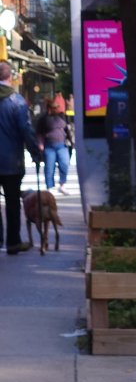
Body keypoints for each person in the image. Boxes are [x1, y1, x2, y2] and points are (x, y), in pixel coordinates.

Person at [0, 61, 42, 254]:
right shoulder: (17, 102)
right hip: (11, 161)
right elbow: (26, 129)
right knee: (12, 202)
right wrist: (36, 153)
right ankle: (13, 242)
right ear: (11, 77)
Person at [36, 93, 71, 194]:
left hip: (62, 145)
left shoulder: (62, 116)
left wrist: (71, 140)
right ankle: (50, 186)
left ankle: (62, 184)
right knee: (49, 167)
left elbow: (67, 130)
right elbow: (39, 133)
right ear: (50, 108)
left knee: (64, 164)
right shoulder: (43, 119)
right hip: (49, 145)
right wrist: (40, 143)